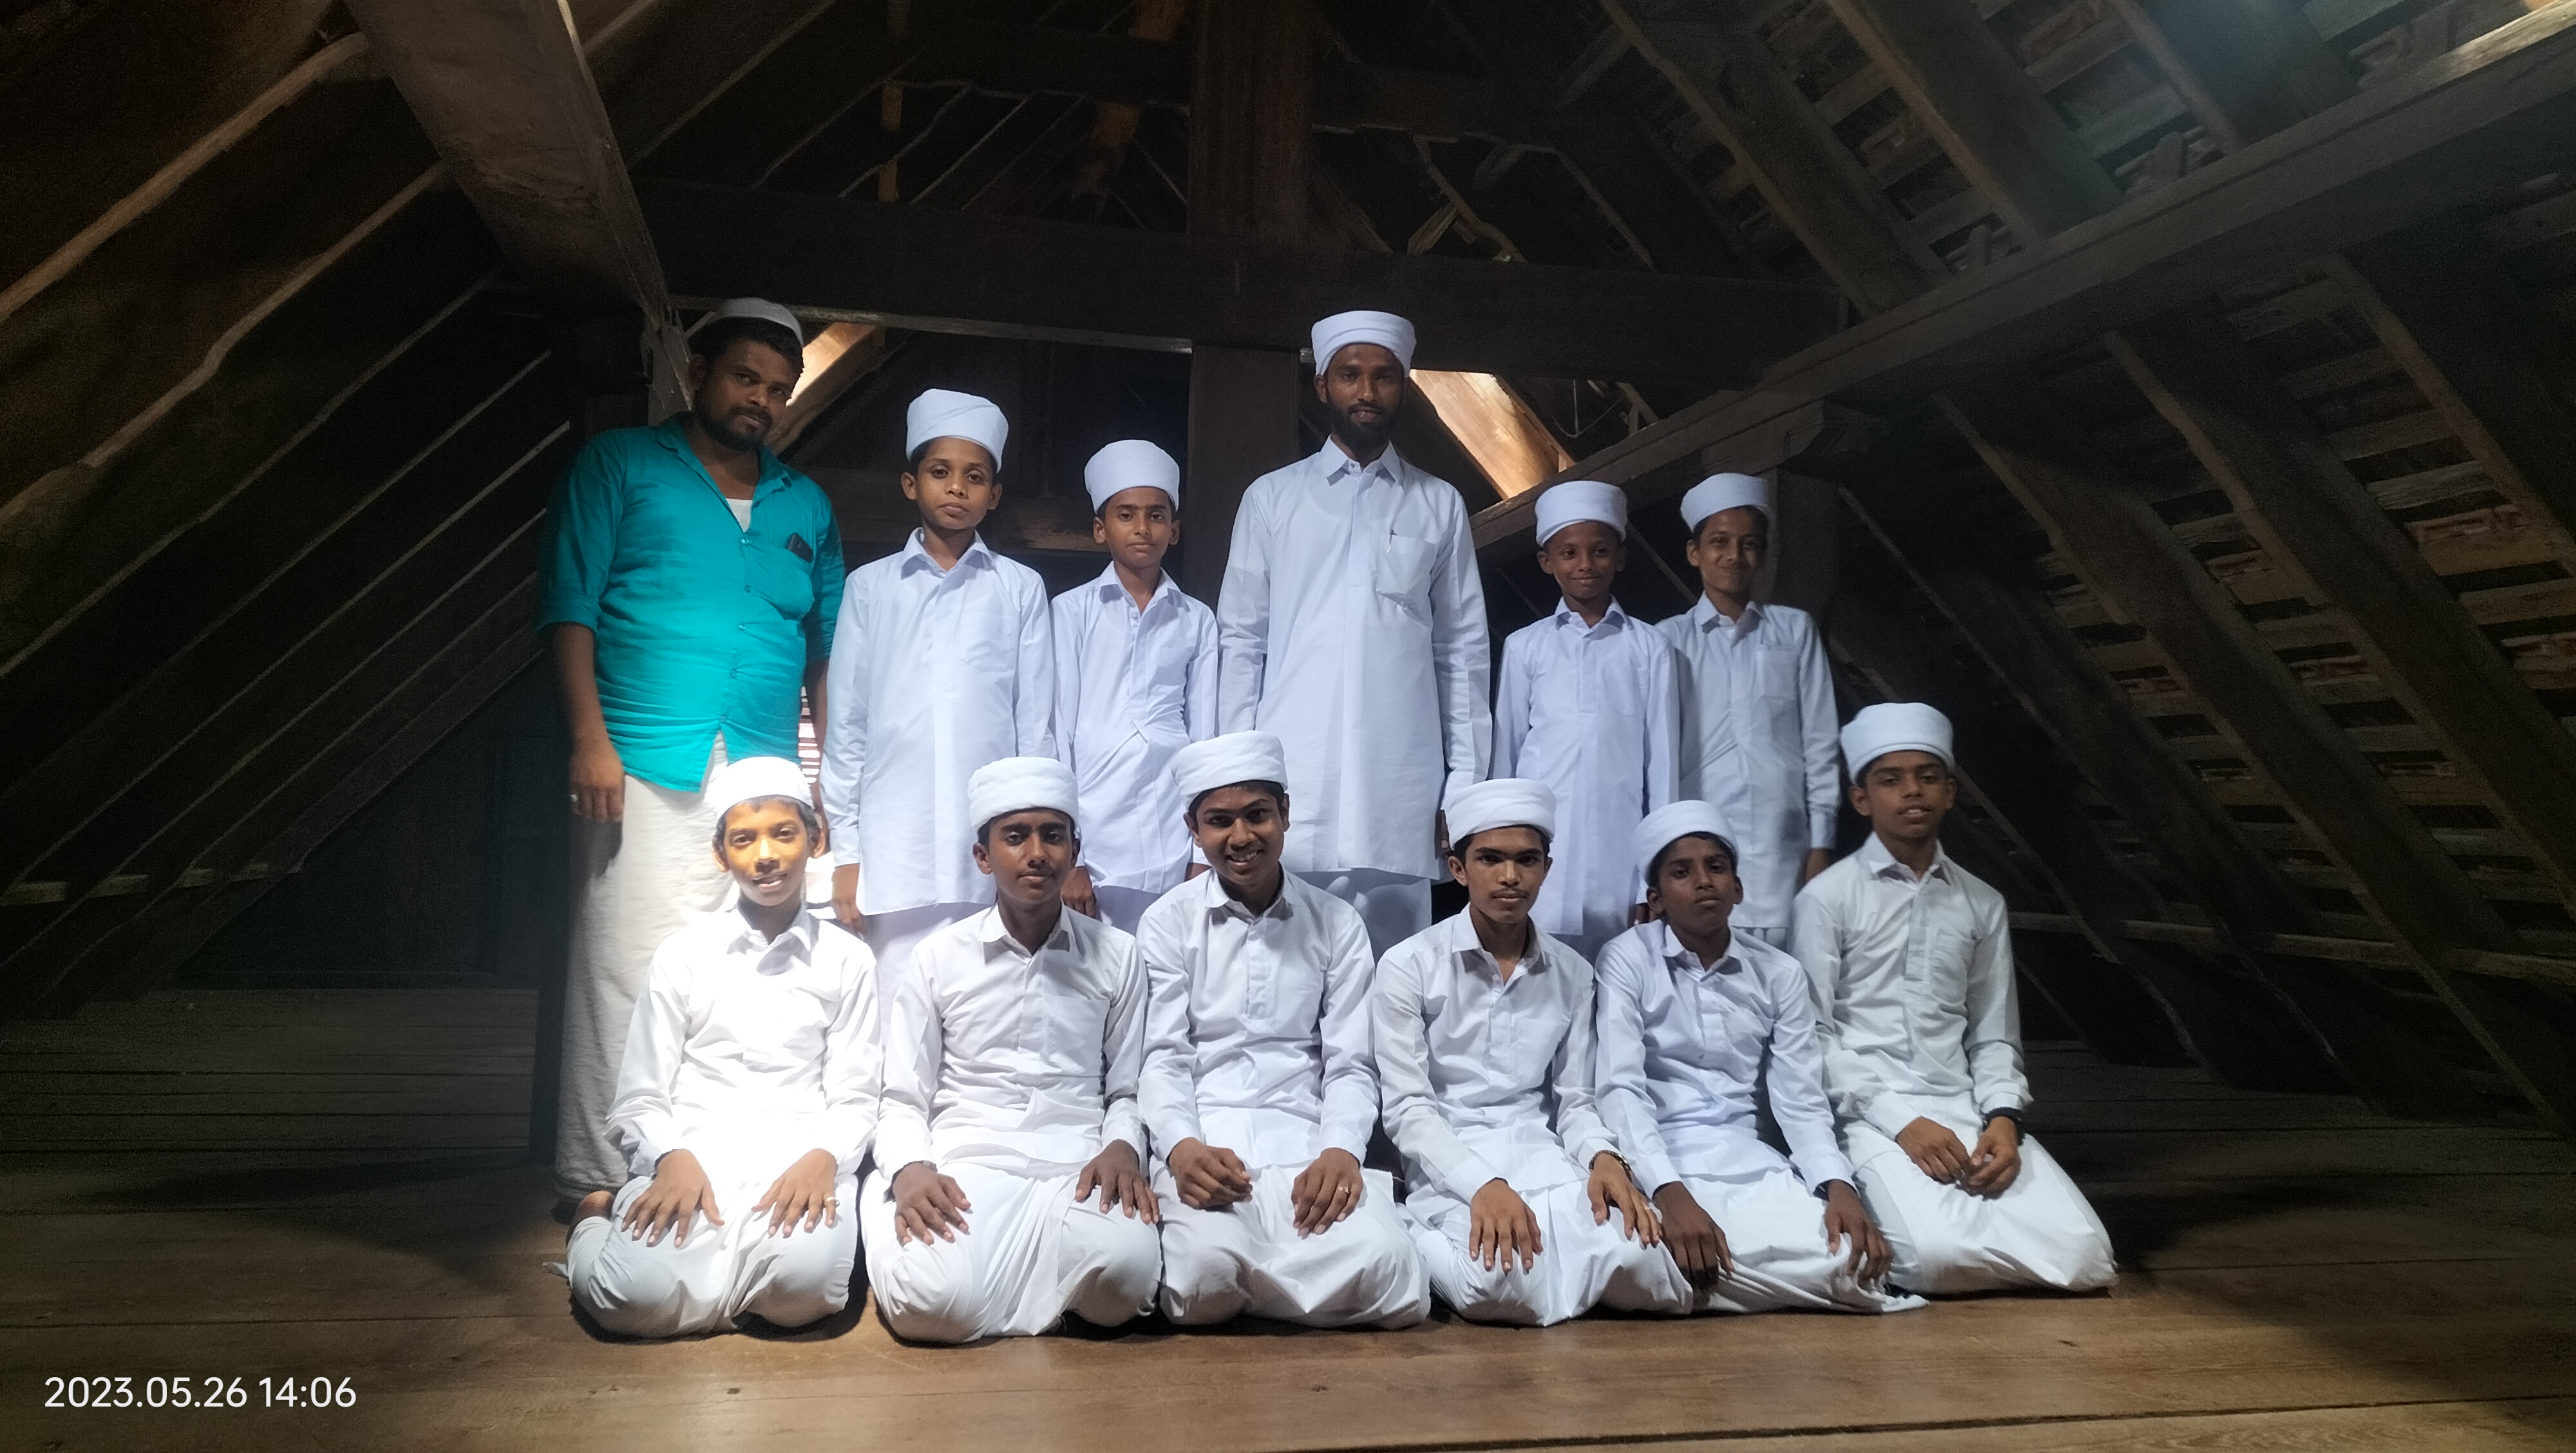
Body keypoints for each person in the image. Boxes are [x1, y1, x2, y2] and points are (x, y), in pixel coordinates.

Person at [538, 297, 844, 1202]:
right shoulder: (620, 465)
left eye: (778, 390)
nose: (762, 401)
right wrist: (589, 741)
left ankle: (705, 1166)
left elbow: (827, 652)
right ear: (698, 373)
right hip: (640, 754)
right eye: (746, 378)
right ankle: (602, 1174)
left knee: (740, 978)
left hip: (761, 774)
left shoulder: (805, 502)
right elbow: (569, 604)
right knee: (625, 963)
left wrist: (826, 782)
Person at [1792, 703, 2116, 1295]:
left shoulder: (1982, 903)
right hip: (1869, 1114)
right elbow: (1812, 1036)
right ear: (1861, 799)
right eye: (1891, 780)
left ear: (1950, 792)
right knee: (1932, 1259)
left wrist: (2004, 1119)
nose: (1912, 792)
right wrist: (1902, 1122)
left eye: (1928, 776)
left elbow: (1994, 1035)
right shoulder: (1826, 899)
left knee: (2087, 1255)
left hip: (1962, 1110)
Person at [562, 755, 877, 1338]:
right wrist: (669, 1157)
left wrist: (824, 1158)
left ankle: (709, 1289)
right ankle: (594, 1222)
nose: (765, 855)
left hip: (798, 1160)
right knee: (629, 1301)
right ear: (719, 854)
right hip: (695, 1156)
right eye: (744, 839)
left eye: (784, 834)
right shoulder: (683, 955)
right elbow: (639, 1096)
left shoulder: (848, 960)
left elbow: (856, 1094)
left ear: (815, 841)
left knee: (805, 1292)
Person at [1217, 309, 1490, 954]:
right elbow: (1242, 644)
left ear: (1404, 386)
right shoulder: (1271, 499)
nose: (1367, 391)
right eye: (1349, 375)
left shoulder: (1438, 504)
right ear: (1323, 386)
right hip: (1294, 779)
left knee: (1394, 979)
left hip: (1399, 785)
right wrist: (1237, 774)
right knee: (1285, 976)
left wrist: (1465, 783)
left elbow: (1461, 652)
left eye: (1383, 377)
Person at [1136, 732, 1430, 1327]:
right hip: (1209, 1141)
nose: (1241, 836)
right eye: (1220, 821)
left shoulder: (1337, 921)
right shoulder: (1168, 922)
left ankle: (1260, 1285)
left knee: (1395, 1273)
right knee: (1202, 1277)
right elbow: (1163, 1057)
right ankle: (1297, 1288)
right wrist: (1182, 1147)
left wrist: (1341, 1151)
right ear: (1193, 829)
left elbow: (1351, 1063)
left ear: (1286, 814)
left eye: (1257, 815)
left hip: (1305, 1140)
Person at [866, 756, 1162, 1342]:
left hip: (1078, 1161)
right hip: (968, 1159)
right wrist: (909, 1169)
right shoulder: (938, 958)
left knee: (1124, 1278)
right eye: (1015, 837)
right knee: (929, 1302)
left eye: (1053, 836)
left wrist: (1123, 1147)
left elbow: (1127, 1088)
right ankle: (1027, 1295)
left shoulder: (1118, 953)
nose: (1036, 853)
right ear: (983, 857)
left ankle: (1011, 1292)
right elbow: (902, 1096)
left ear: (1075, 851)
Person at [1593, 801, 1918, 1316]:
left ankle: (1702, 1287)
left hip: (1748, 1158)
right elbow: (1621, 1089)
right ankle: (1718, 1278)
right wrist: (1670, 1194)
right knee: (1628, 1261)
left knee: (1849, 1264)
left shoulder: (1779, 973)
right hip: (1658, 1157)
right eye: (1682, 872)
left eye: (1716, 867)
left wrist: (1840, 1188)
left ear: (1739, 888)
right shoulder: (1626, 959)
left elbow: (1801, 1101)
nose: (1704, 881)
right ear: (1656, 898)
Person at [1373, 777, 1677, 1325]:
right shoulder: (1408, 964)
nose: (1510, 876)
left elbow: (1576, 1102)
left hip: (1542, 1155)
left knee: (1644, 1260)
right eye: (1491, 859)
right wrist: (1482, 1185)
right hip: (1450, 1162)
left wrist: (1604, 1160)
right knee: (1493, 1285)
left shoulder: (1573, 972)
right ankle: (1413, 1224)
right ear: (1459, 868)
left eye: (1526, 860)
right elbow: (1408, 1109)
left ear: (1546, 868)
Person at [821, 389, 1054, 982]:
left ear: (994, 494)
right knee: (894, 1012)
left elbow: (1036, 729)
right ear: (911, 483)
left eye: (974, 477)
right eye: (940, 472)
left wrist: (1033, 839)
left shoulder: (1020, 588)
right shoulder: (870, 587)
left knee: (986, 1004)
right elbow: (847, 727)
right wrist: (847, 854)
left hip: (989, 848)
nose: (957, 488)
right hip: (892, 847)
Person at [1493, 480, 1679, 959]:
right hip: (1541, 850)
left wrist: (1653, 877)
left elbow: (1662, 767)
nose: (1585, 565)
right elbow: (1506, 761)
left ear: (1620, 557)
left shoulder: (1650, 647)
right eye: (1569, 553)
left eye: (1600, 551)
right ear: (1546, 561)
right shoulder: (1525, 646)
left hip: (1621, 852)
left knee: (1620, 976)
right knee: (1538, 974)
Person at [1657, 473, 1836, 953]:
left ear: (1763, 553)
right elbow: (1656, 753)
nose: (1734, 556)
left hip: (1785, 847)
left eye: (1749, 544)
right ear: (1694, 552)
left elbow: (1820, 742)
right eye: (1719, 542)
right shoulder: (1666, 640)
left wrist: (1821, 845)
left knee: (1790, 979)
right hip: (1700, 845)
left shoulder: (1794, 631)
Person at [1053, 441, 1220, 933]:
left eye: (1156, 515)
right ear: (1100, 528)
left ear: (1175, 530)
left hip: (1173, 823)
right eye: (1126, 515)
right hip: (1096, 826)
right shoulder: (1071, 612)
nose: (1142, 528)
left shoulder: (1197, 619)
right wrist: (1072, 856)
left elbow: (1206, 738)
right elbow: (1059, 734)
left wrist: (1202, 854)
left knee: (1169, 964)